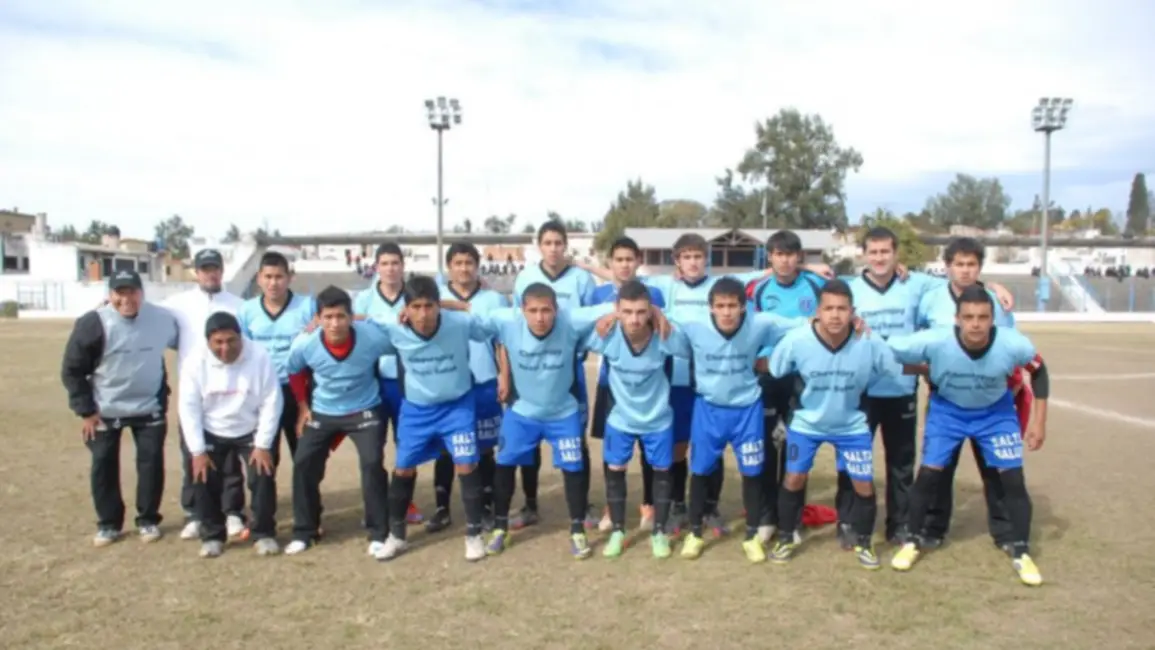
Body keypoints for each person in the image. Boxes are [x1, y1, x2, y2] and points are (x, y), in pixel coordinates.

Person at [587, 233, 777, 536]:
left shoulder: (719, 286)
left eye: (698, 256)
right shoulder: (665, 285)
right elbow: (629, 286)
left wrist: (805, 268)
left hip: (705, 382)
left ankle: (710, 508)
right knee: (676, 448)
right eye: (686, 257)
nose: (693, 262)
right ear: (677, 261)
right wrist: (618, 306)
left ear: (706, 259)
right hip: (673, 379)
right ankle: (677, 505)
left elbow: (758, 274)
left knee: (709, 448)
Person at [886, 286, 1049, 586]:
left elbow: (1039, 371)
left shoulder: (1013, 344)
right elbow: (889, 350)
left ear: (993, 319)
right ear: (957, 319)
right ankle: (912, 541)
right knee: (929, 475)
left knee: (1013, 480)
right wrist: (924, 367)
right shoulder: (935, 340)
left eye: (983, 317)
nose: (976, 324)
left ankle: (1021, 551)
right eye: (969, 317)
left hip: (996, 415)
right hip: (948, 412)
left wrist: (1039, 422)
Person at [663, 277, 809, 563]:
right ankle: (695, 533)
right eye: (720, 306)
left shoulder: (761, 323)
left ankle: (752, 535)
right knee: (700, 471)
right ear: (710, 307)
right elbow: (656, 317)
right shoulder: (693, 323)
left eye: (732, 306)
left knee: (752, 472)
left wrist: (825, 320)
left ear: (744, 307)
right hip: (708, 409)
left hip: (747, 410)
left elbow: (801, 326)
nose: (727, 312)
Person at [765, 280, 907, 569]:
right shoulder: (798, 339)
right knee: (794, 477)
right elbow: (776, 368)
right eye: (828, 308)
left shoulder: (867, 341)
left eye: (842, 309)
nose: (835, 315)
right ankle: (786, 536)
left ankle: (864, 542)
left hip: (851, 425)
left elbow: (892, 368)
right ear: (817, 312)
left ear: (852, 312)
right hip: (807, 423)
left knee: (863, 483)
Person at [474, 283, 623, 559]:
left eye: (546, 310)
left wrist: (613, 315)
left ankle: (577, 530)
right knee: (504, 465)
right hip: (522, 412)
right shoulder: (505, 320)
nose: (540, 317)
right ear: (522, 311)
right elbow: (468, 322)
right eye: (533, 311)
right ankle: (500, 528)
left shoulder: (571, 319)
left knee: (573, 467)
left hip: (562, 412)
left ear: (557, 310)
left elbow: (626, 305)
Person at [364, 275, 500, 561]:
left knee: (466, 464)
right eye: (416, 307)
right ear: (405, 309)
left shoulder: (459, 324)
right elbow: (355, 321)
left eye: (429, 306)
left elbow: (492, 325)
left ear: (439, 306)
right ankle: (397, 536)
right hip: (417, 410)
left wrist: (459, 305)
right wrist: (316, 323)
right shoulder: (392, 326)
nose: (423, 314)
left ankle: (474, 535)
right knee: (403, 468)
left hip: (457, 407)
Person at [835, 227, 938, 548]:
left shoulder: (915, 285)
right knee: (852, 460)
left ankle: (900, 525)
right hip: (860, 391)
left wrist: (990, 285)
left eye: (885, 252)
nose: (879, 258)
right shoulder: (850, 289)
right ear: (864, 254)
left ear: (895, 254)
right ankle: (849, 522)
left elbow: (957, 284)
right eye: (874, 252)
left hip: (900, 388)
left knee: (901, 463)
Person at [61, 270, 179, 546]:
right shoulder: (93, 323)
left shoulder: (161, 319)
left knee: (151, 463)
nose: (126, 299)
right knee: (103, 464)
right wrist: (86, 411)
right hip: (105, 408)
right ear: (110, 294)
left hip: (149, 405)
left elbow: (188, 341)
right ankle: (108, 524)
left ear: (142, 292)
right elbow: (72, 370)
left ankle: (148, 519)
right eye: (120, 292)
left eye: (132, 292)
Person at [916, 237, 1017, 552]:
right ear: (947, 266)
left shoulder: (996, 301)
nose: (965, 270)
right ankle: (933, 528)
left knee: (994, 468)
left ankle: (1005, 531)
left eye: (971, 264)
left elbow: (1009, 345)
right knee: (939, 467)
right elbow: (920, 342)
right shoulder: (931, 299)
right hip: (945, 399)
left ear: (980, 267)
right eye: (959, 264)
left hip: (989, 400)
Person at [284, 286, 393, 559]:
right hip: (324, 410)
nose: (335, 323)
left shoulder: (371, 336)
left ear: (351, 317)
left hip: (365, 408)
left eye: (341, 316)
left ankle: (378, 532)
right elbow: (294, 370)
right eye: (328, 317)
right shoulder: (305, 343)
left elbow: (402, 344)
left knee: (372, 462)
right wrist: (303, 407)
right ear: (318, 319)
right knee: (303, 462)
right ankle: (304, 531)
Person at [509, 221, 597, 529]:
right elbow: (514, 325)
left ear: (565, 246)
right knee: (528, 440)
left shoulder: (581, 278)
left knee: (576, 439)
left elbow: (590, 321)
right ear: (539, 246)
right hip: (530, 370)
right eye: (548, 243)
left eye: (558, 243)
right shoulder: (526, 278)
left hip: (567, 369)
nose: (553, 248)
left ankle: (583, 506)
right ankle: (530, 504)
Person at [747, 230, 830, 545]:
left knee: (797, 450)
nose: (784, 260)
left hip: (803, 377)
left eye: (790, 254)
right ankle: (766, 519)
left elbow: (842, 302)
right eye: (778, 254)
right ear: (770, 257)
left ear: (799, 257)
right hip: (768, 377)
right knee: (767, 449)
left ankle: (791, 523)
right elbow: (747, 325)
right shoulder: (757, 288)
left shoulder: (816, 285)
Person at [585, 280, 677, 558]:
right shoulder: (606, 335)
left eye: (641, 312)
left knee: (662, 473)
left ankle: (659, 532)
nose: (634, 319)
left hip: (657, 419)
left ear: (650, 311)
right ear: (617, 309)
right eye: (627, 312)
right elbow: (568, 321)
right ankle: (618, 531)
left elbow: (696, 327)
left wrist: (661, 314)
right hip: (621, 419)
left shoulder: (664, 335)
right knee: (615, 470)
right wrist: (605, 317)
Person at [179, 312, 282, 558]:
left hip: (251, 426)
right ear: (208, 341)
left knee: (262, 476)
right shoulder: (194, 361)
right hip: (211, 428)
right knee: (203, 478)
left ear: (240, 337)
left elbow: (272, 400)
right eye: (218, 342)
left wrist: (262, 444)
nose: (225, 348)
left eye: (231, 340)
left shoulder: (259, 355)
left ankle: (264, 533)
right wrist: (198, 451)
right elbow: (188, 408)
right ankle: (213, 536)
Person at [162, 248, 247, 542]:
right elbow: (147, 315)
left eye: (215, 269)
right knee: (192, 452)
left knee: (230, 458)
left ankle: (232, 511)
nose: (211, 274)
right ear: (196, 273)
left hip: (230, 389)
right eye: (205, 269)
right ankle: (195, 513)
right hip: (194, 389)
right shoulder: (177, 305)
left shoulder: (239, 306)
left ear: (222, 271)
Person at [425, 243, 510, 534]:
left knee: (485, 448)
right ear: (449, 266)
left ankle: (485, 507)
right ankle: (442, 508)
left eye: (469, 263)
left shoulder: (494, 299)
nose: (464, 268)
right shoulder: (434, 297)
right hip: (447, 384)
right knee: (446, 449)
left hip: (484, 381)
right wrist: (451, 304)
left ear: (477, 266)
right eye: (458, 263)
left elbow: (502, 341)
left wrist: (504, 376)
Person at [587, 236, 666, 534]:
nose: (624, 265)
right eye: (619, 259)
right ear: (610, 263)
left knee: (649, 447)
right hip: (611, 382)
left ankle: (649, 504)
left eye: (629, 259)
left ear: (638, 261)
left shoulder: (653, 294)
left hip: (647, 384)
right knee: (613, 451)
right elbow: (590, 328)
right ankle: (612, 507)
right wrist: (609, 314)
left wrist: (655, 311)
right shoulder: (598, 295)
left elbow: (659, 324)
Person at [352, 242, 423, 525]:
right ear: (376, 267)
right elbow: (355, 323)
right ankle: (376, 506)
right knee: (373, 450)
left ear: (403, 266)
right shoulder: (364, 299)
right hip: (376, 383)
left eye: (395, 263)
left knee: (407, 446)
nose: (391, 269)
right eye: (385, 263)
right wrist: (379, 319)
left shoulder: (413, 295)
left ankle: (406, 503)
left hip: (410, 382)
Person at [236, 251, 315, 461]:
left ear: (290, 277)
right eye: (268, 277)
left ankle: (304, 485)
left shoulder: (307, 307)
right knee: (264, 455)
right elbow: (242, 352)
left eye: (279, 276)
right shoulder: (246, 310)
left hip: (298, 390)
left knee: (305, 457)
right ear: (259, 278)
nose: (273, 283)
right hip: (262, 390)